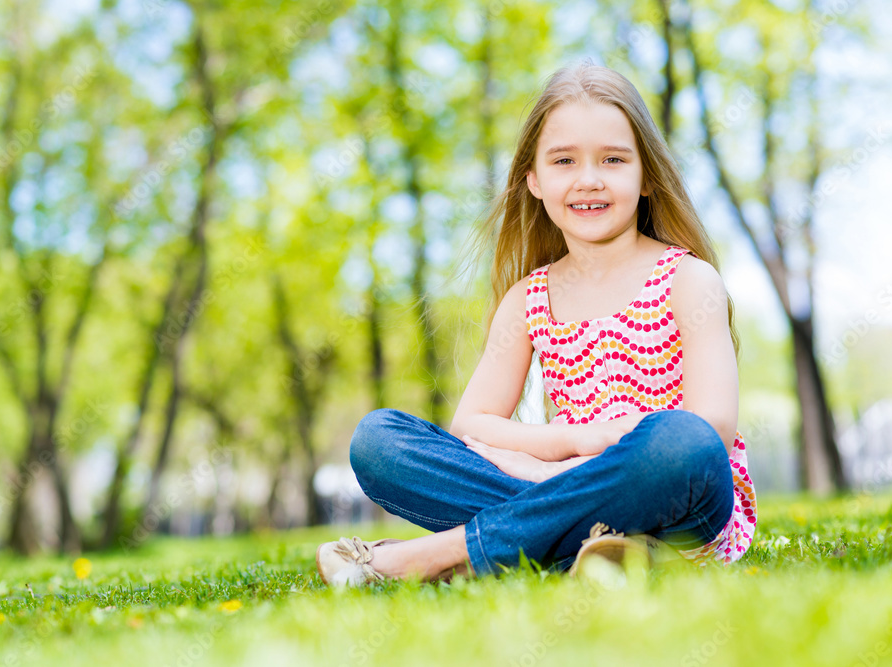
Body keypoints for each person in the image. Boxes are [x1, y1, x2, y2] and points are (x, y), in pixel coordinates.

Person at [315, 59, 756, 587]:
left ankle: (449, 554)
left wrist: (569, 472)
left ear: (645, 178)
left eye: (613, 159)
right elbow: (472, 426)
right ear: (535, 180)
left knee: (681, 442)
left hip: (675, 497)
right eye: (564, 160)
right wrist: (560, 457)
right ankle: (602, 547)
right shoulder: (530, 300)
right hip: (557, 479)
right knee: (379, 441)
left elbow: (714, 429)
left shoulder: (688, 279)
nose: (588, 179)